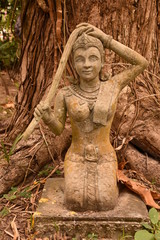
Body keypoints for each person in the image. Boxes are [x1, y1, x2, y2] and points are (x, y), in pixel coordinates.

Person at [34, 23, 148, 211]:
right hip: (76, 156)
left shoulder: (112, 86)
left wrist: (106, 40)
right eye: (80, 59)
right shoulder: (65, 93)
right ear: (72, 63)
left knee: (107, 202)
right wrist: (47, 116)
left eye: (93, 58)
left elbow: (141, 63)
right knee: (74, 201)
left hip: (104, 156)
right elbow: (58, 129)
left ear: (102, 61)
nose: (87, 64)